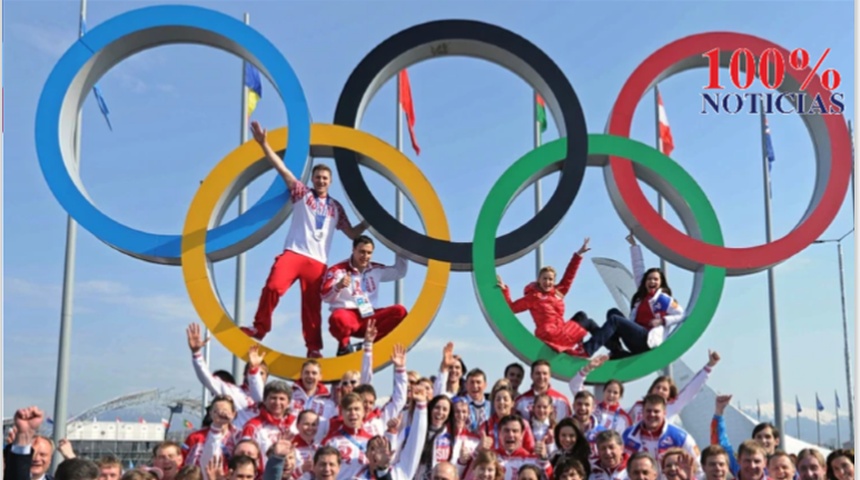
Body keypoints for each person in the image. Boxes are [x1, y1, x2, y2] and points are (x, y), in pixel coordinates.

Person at [244, 121, 368, 358]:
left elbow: (352, 233)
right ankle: (260, 328)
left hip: (318, 262)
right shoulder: (301, 193)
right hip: (294, 253)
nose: (321, 181)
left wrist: (370, 221)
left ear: (330, 182)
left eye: (325, 178)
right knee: (272, 287)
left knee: (311, 307)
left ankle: (314, 348)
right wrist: (264, 144)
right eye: (318, 177)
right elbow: (282, 170)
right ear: (312, 180)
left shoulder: (336, 208)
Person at [497, 239, 592, 356]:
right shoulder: (534, 297)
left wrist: (578, 255)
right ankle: (585, 347)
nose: (547, 282)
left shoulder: (558, 292)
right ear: (539, 280)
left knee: (581, 316)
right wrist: (504, 290)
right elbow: (512, 308)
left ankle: (582, 346)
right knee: (589, 323)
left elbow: (569, 275)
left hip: (561, 333)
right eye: (544, 279)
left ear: (554, 281)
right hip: (548, 335)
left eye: (550, 279)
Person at [320, 235, 408, 356]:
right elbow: (325, 296)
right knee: (337, 318)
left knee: (400, 311)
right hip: (349, 317)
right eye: (362, 252)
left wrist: (402, 249)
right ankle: (344, 347)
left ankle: (368, 345)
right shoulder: (338, 270)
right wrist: (338, 286)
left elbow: (399, 272)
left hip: (369, 317)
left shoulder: (375, 269)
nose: (365, 256)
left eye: (369, 253)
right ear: (353, 250)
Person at [602, 235, 684, 359]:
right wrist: (634, 246)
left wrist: (663, 321)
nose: (652, 281)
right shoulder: (642, 297)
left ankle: (592, 346)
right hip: (635, 337)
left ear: (661, 282)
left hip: (647, 340)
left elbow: (681, 315)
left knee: (615, 319)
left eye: (656, 279)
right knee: (612, 313)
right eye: (649, 279)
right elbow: (638, 269)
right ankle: (616, 350)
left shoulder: (663, 299)